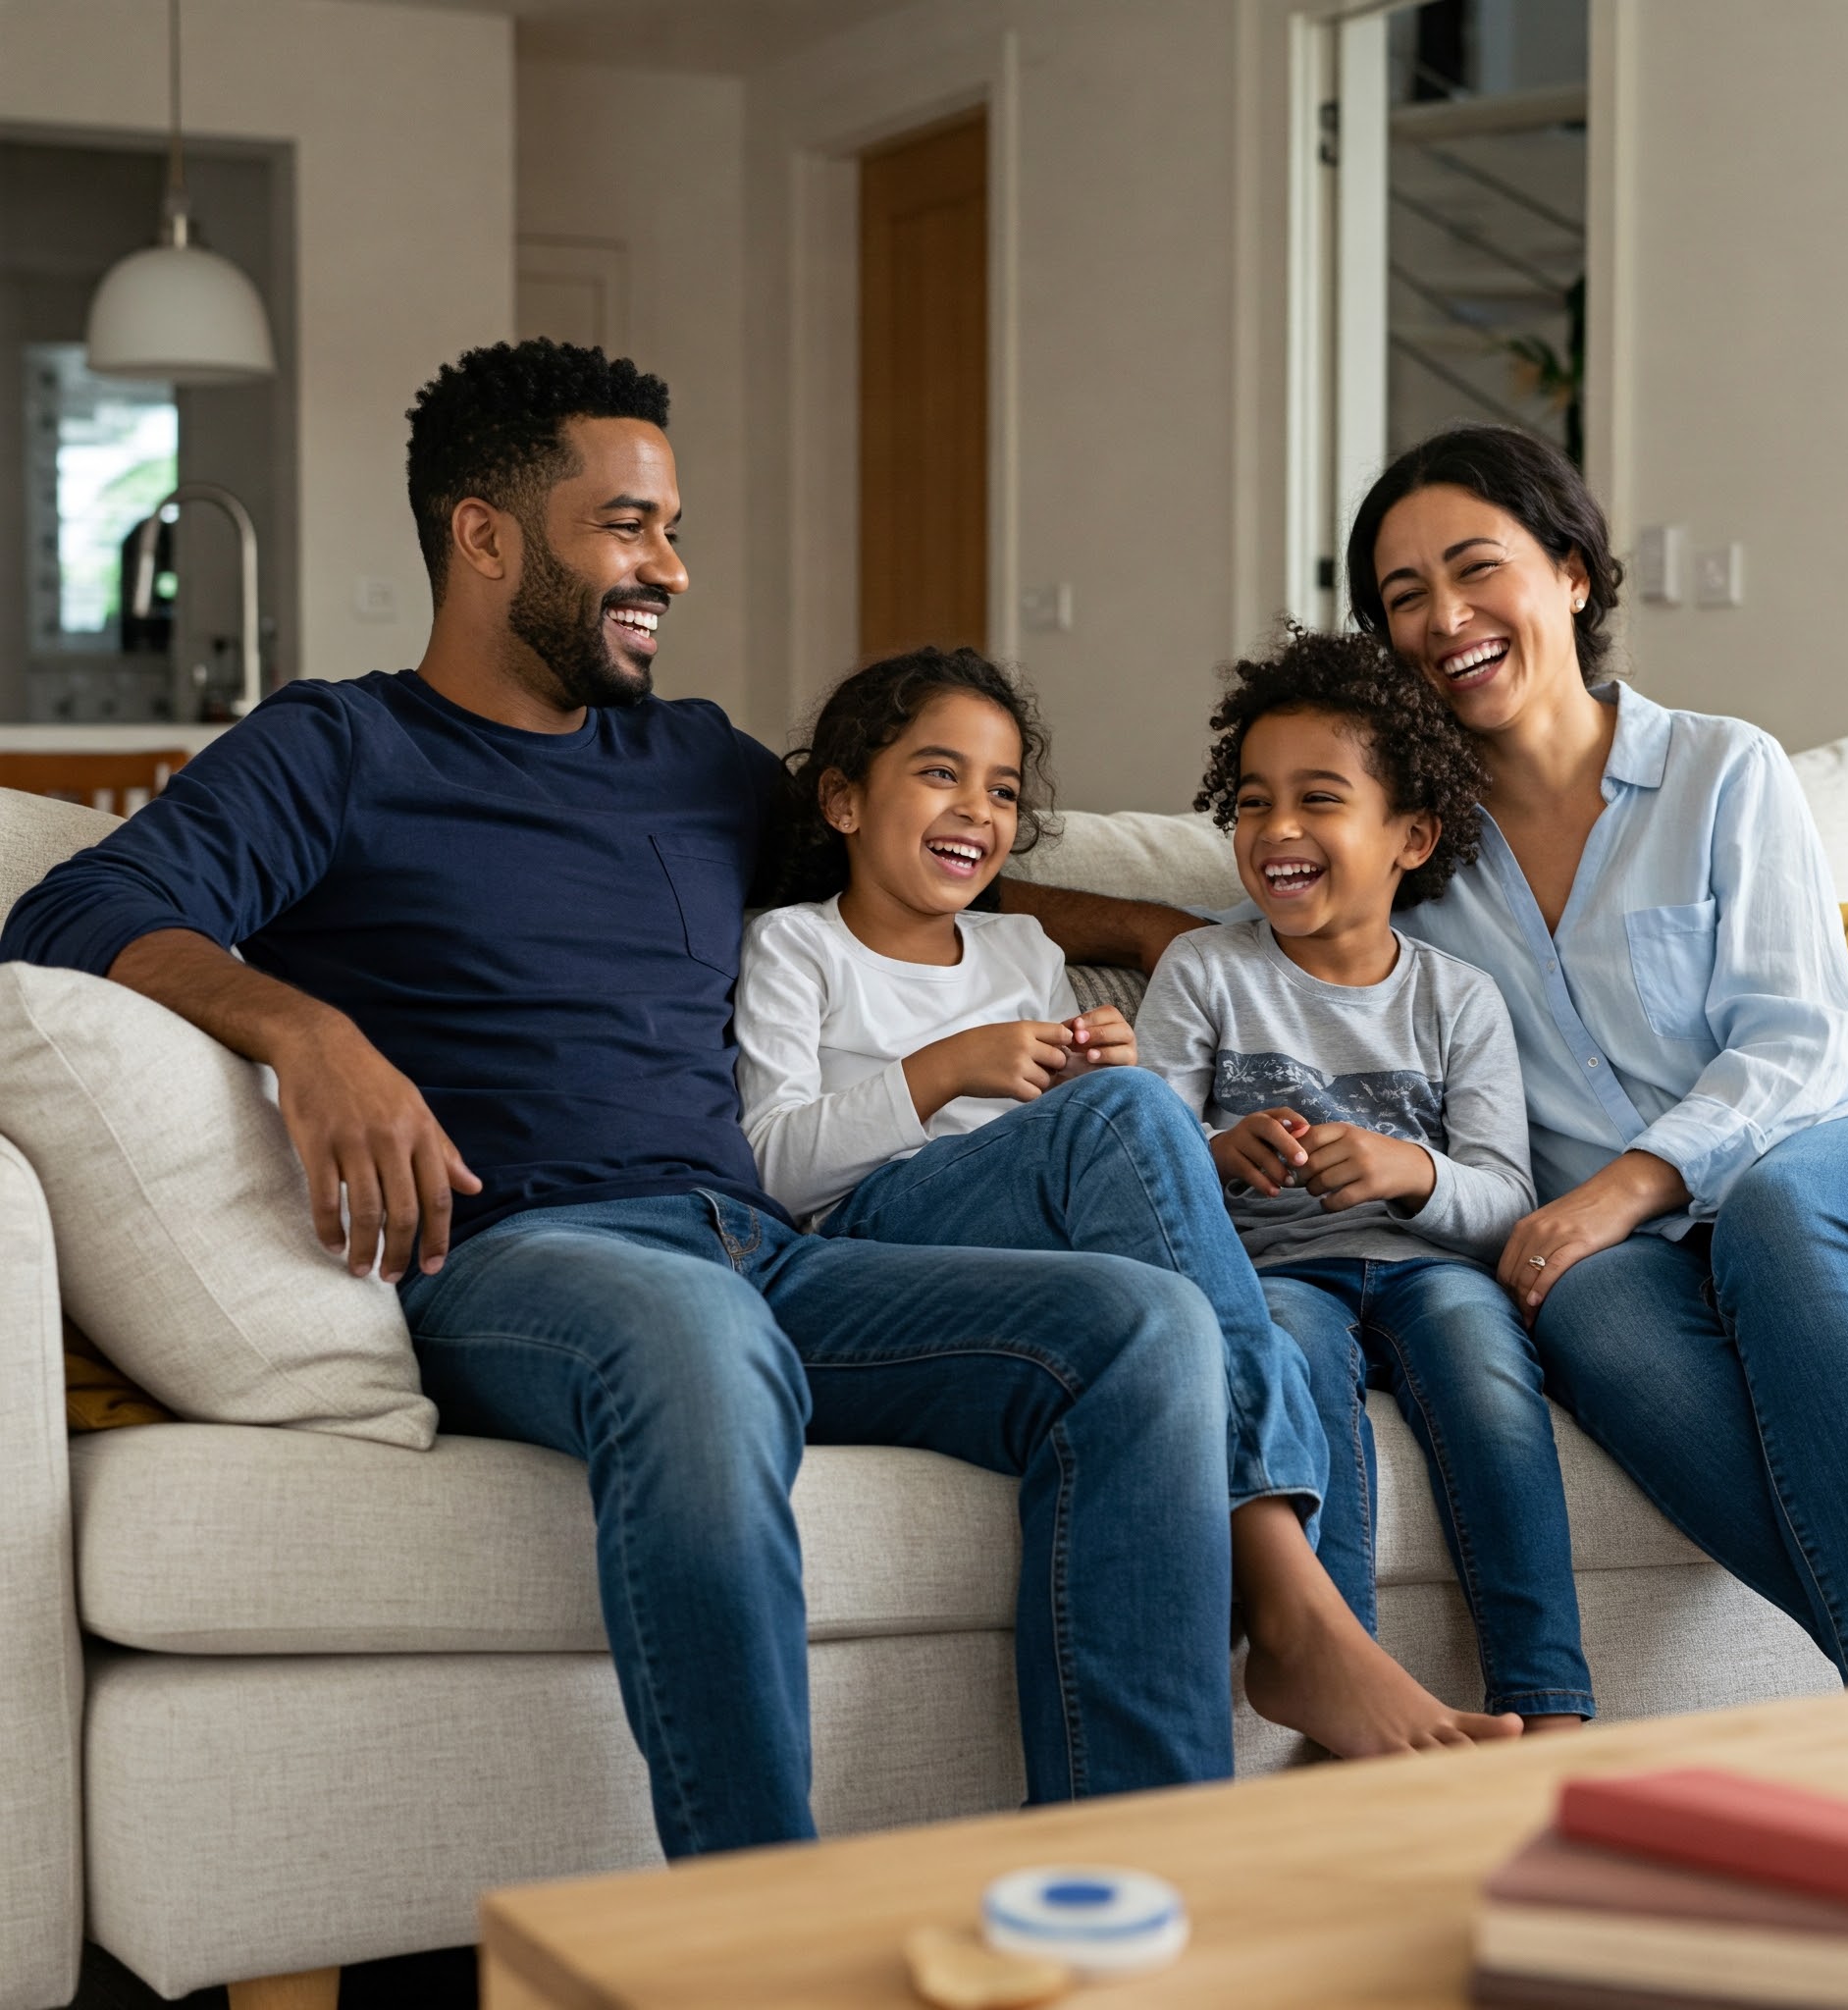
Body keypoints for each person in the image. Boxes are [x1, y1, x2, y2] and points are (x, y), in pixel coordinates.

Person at [0, 340, 1248, 1857]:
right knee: (696, 1329)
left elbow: (912, 863)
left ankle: (1142, 1895)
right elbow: (72, 913)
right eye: (628, 527)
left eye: (672, 528)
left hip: (763, 1245)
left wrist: (1150, 931)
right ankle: (752, 1932)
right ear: (485, 538)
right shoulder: (341, 748)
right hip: (527, 1262)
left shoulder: (697, 764)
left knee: (1140, 1330)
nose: (669, 566)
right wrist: (305, 1031)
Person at [734, 645, 1520, 1755]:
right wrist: (945, 1068)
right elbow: (771, 1168)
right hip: (867, 1235)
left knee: (1133, 1113)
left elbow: (1084, 1151)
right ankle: (1296, 1600)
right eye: (939, 774)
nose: (977, 808)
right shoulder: (796, 945)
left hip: (1021, 1253)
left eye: (1003, 789)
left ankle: (1307, 1619)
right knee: (1136, 1114)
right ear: (842, 797)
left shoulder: (1020, 944)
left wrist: (1096, 1070)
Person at [1344, 423, 1848, 1684]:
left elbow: (1798, 1037)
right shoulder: (1412, 859)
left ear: (1571, 572)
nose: (1444, 616)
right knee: (1577, 1304)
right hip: (1640, 1259)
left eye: (1477, 567)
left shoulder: (1719, 768)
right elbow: (1268, 934)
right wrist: (1040, 906)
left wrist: (1618, 1185)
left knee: (1772, 1210)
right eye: (1403, 594)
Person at [1136, 628, 1594, 1729]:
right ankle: (1341, 1673)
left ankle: (1547, 1693)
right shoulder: (1206, 970)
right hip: (1276, 1270)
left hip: (1426, 1270)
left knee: (1490, 1375)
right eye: (1251, 801)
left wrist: (1409, 1170)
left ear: (1409, 834)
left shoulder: (1457, 997)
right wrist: (1213, 1154)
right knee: (1294, 1360)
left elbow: (1500, 1200)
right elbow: (1137, 1152)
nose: (1276, 830)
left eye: (1317, 799)